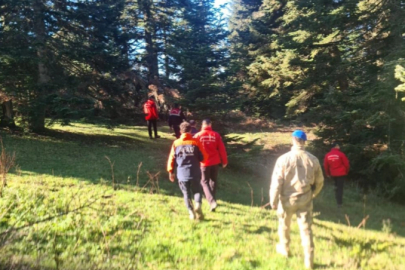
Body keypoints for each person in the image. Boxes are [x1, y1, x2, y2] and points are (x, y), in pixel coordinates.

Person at [270, 130, 324, 269]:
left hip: (286, 200)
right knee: (306, 229)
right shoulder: (313, 159)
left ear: (293, 140)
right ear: (304, 142)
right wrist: (313, 194)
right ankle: (309, 260)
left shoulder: (283, 159)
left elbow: (277, 182)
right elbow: (320, 182)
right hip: (305, 199)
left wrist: (273, 200)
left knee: (284, 225)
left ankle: (285, 249)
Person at [167, 122, 207, 220]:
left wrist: (170, 171)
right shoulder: (196, 142)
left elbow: (171, 158)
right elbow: (204, 157)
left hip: (182, 173)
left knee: (186, 193)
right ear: (190, 131)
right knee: (197, 191)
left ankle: (191, 212)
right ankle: (198, 205)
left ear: (180, 131)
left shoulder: (176, 143)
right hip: (195, 172)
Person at [194, 119, 228, 212]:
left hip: (203, 163)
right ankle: (212, 201)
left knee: (204, 181)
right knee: (213, 181)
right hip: (215, 162)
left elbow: (194, 150)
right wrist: (224, 161)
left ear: (202, 125)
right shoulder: (216, 135)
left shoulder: (197, 135)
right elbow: (222, 149)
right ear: (210, 125)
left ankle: (212, 202)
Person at [323, 142, 350, 207]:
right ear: (335, 147)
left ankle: (337, 200)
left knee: (336, 187)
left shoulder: (327, 155)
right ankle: (339, 203)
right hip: (341, 173)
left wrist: (327, 174)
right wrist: (346, 171)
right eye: (338, 145)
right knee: (340, 188)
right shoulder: (341, 154)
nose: (339, 147)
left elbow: (325, 165)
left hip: (333, 174)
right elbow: (347, 164)